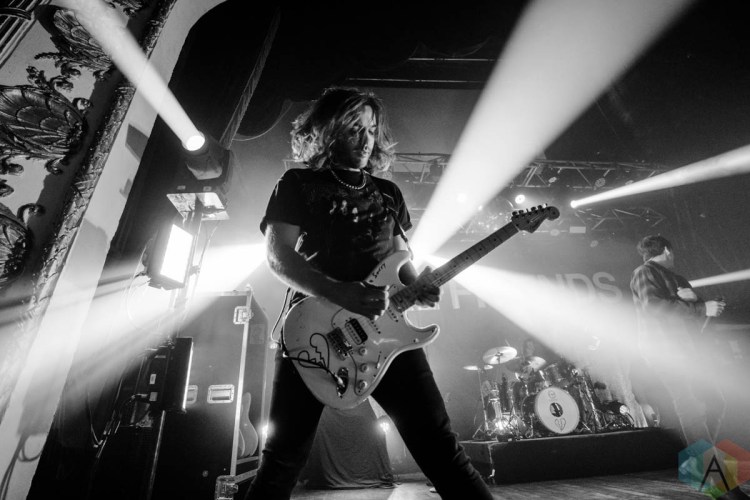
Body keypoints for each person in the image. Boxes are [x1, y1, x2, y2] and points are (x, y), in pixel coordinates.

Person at [245, 87, 493, 500]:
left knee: (441, 448)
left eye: (372, 129)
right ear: (327, 131)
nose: (366, 139)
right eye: (354, 129)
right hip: (314, 331)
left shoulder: (388, 192)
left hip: (388, 337)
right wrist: (339, 292)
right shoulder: (297, 183)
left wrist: (416, 286)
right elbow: (278, 256)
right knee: (282, 460)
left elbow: (400, 259)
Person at [629, 234, 726, 446]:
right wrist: (700, 307)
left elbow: (692, 314)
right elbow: (654, 307)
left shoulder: (677, 279)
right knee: (689, 403)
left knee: (714, 401)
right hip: (663, 348)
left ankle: (704, 453)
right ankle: (705, 462)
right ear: (666, 250)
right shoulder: (644, 272)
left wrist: (701, 305)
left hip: (687, 348)